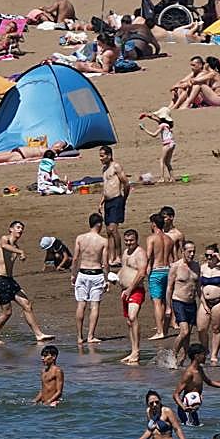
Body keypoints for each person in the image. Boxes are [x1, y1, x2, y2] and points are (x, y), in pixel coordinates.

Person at [0, 221, 54, 346]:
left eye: (22, 228)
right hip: (1, 281)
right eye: (18, 227)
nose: (20, 230)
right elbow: (4, 246)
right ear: (10, 229)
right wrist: (20, 252)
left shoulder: (15, 246)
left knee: (27, 305)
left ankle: (39, 334)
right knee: (7, 313)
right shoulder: (4, 239)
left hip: (10, 280)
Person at [71, 213, 108, 345]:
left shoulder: (80, 238)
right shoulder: (103, 241)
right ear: (99, 224)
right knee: (94, 305)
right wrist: (107, 279)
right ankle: (91, 336)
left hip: (83, 272)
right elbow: (105, 262)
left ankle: (79, 337)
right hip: (96, 273)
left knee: (81, 304)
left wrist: (73, 274)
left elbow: (75, 258)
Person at [118, 229, 148, 366]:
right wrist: (116, 278)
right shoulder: (125, 252)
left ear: (136, 240)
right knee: (129, 322)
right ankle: (133, 350)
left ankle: (136, 351)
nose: (129, 243)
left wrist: (130, 289)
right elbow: (124, 269)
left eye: (131, 240)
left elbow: (142, 273)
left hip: (136, 290)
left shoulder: (140, 253)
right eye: (126, 240)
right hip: (125, 291)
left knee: (132, 317)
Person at [97, 146, 129, 269]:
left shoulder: (116, 167)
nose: (101, 158)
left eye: (102, 156)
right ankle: (111, 258)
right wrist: (101, 202)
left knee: (113, 229)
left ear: (109, 155)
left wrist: (124, 198)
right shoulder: (104, 169)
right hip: (108, 201)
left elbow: (125, 183)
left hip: (116, 199)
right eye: (100, 156)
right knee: (108, 231)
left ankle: (119, 256)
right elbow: (106, 187)